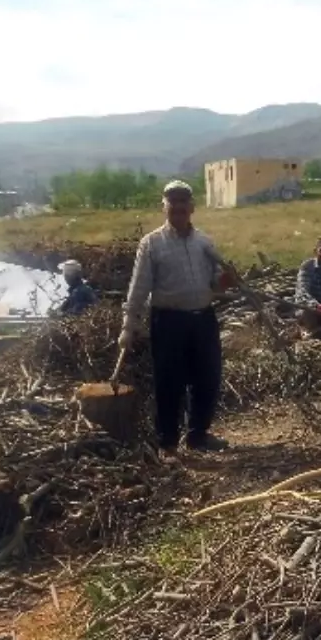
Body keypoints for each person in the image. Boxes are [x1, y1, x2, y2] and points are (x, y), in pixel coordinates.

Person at [119, 180, 236, 452]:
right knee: (169, 382)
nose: (179, 207)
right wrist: (129, 325)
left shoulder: (205, 243)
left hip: (203, 319)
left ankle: (197, 436)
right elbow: (139, 288)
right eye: (173, 202)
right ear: (165, 207)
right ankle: (168, 443)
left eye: (184, 202)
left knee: (207, 377)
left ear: (192, 207)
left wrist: (225, 281)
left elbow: (214, 285)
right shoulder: (151, 244)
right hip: (169, 322)